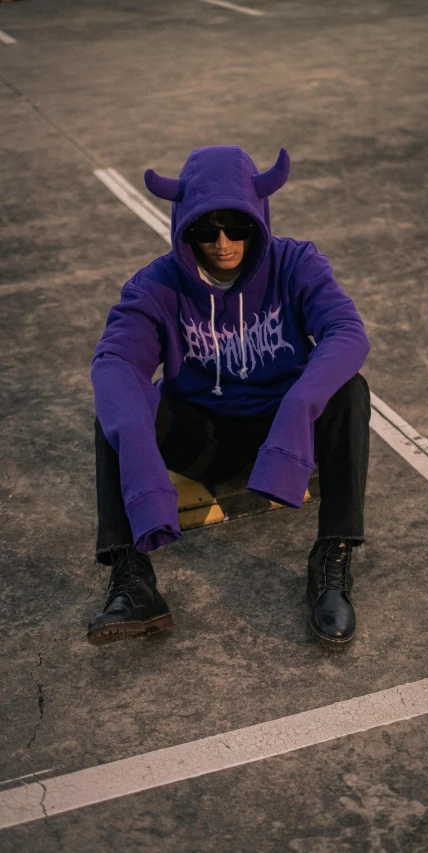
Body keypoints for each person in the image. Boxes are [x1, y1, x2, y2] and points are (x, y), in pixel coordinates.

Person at [88, 145, 371, 649]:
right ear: (184, 228)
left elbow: (346, 331)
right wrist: (133, 431)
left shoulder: (295, 263)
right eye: (205, 230)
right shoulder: (158, 284)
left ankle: (331, 558)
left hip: (281, 430)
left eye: (237, 227)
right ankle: (132, 579)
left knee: (349, 388)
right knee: (118, 406)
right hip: (204, 438)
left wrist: (300, 406)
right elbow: (115, 361)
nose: (222, 243)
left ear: (258, 217)